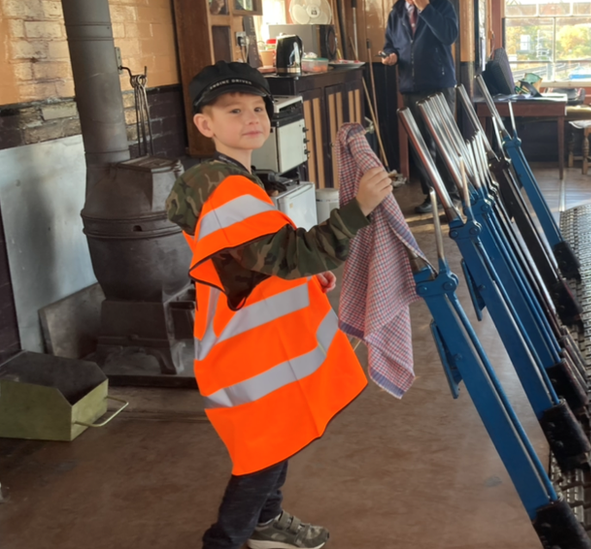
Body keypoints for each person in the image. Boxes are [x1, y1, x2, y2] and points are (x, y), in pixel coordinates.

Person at [166, 61, 393, 549]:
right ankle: (224, 541)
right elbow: (289, 253)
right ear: (206, 126)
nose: (250, 117)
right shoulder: (226, 189)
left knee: (279, 436)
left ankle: (267, 524)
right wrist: (358, 209)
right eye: (233, 111)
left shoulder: (234, 179)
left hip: (260, 346)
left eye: (257, 107)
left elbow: (251, 260)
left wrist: (302, 276)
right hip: (248, 355)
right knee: (261, 454)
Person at [381, 0, 460, 214]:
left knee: (443, 143)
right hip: (410, 87)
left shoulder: (442, 5)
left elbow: (449, 35)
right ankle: (432, 195)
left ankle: (453, 197)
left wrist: (426, 8)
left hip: (439, 86)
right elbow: (389, 44)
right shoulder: (396, 12)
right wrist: (391, 55)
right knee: (421, 147)